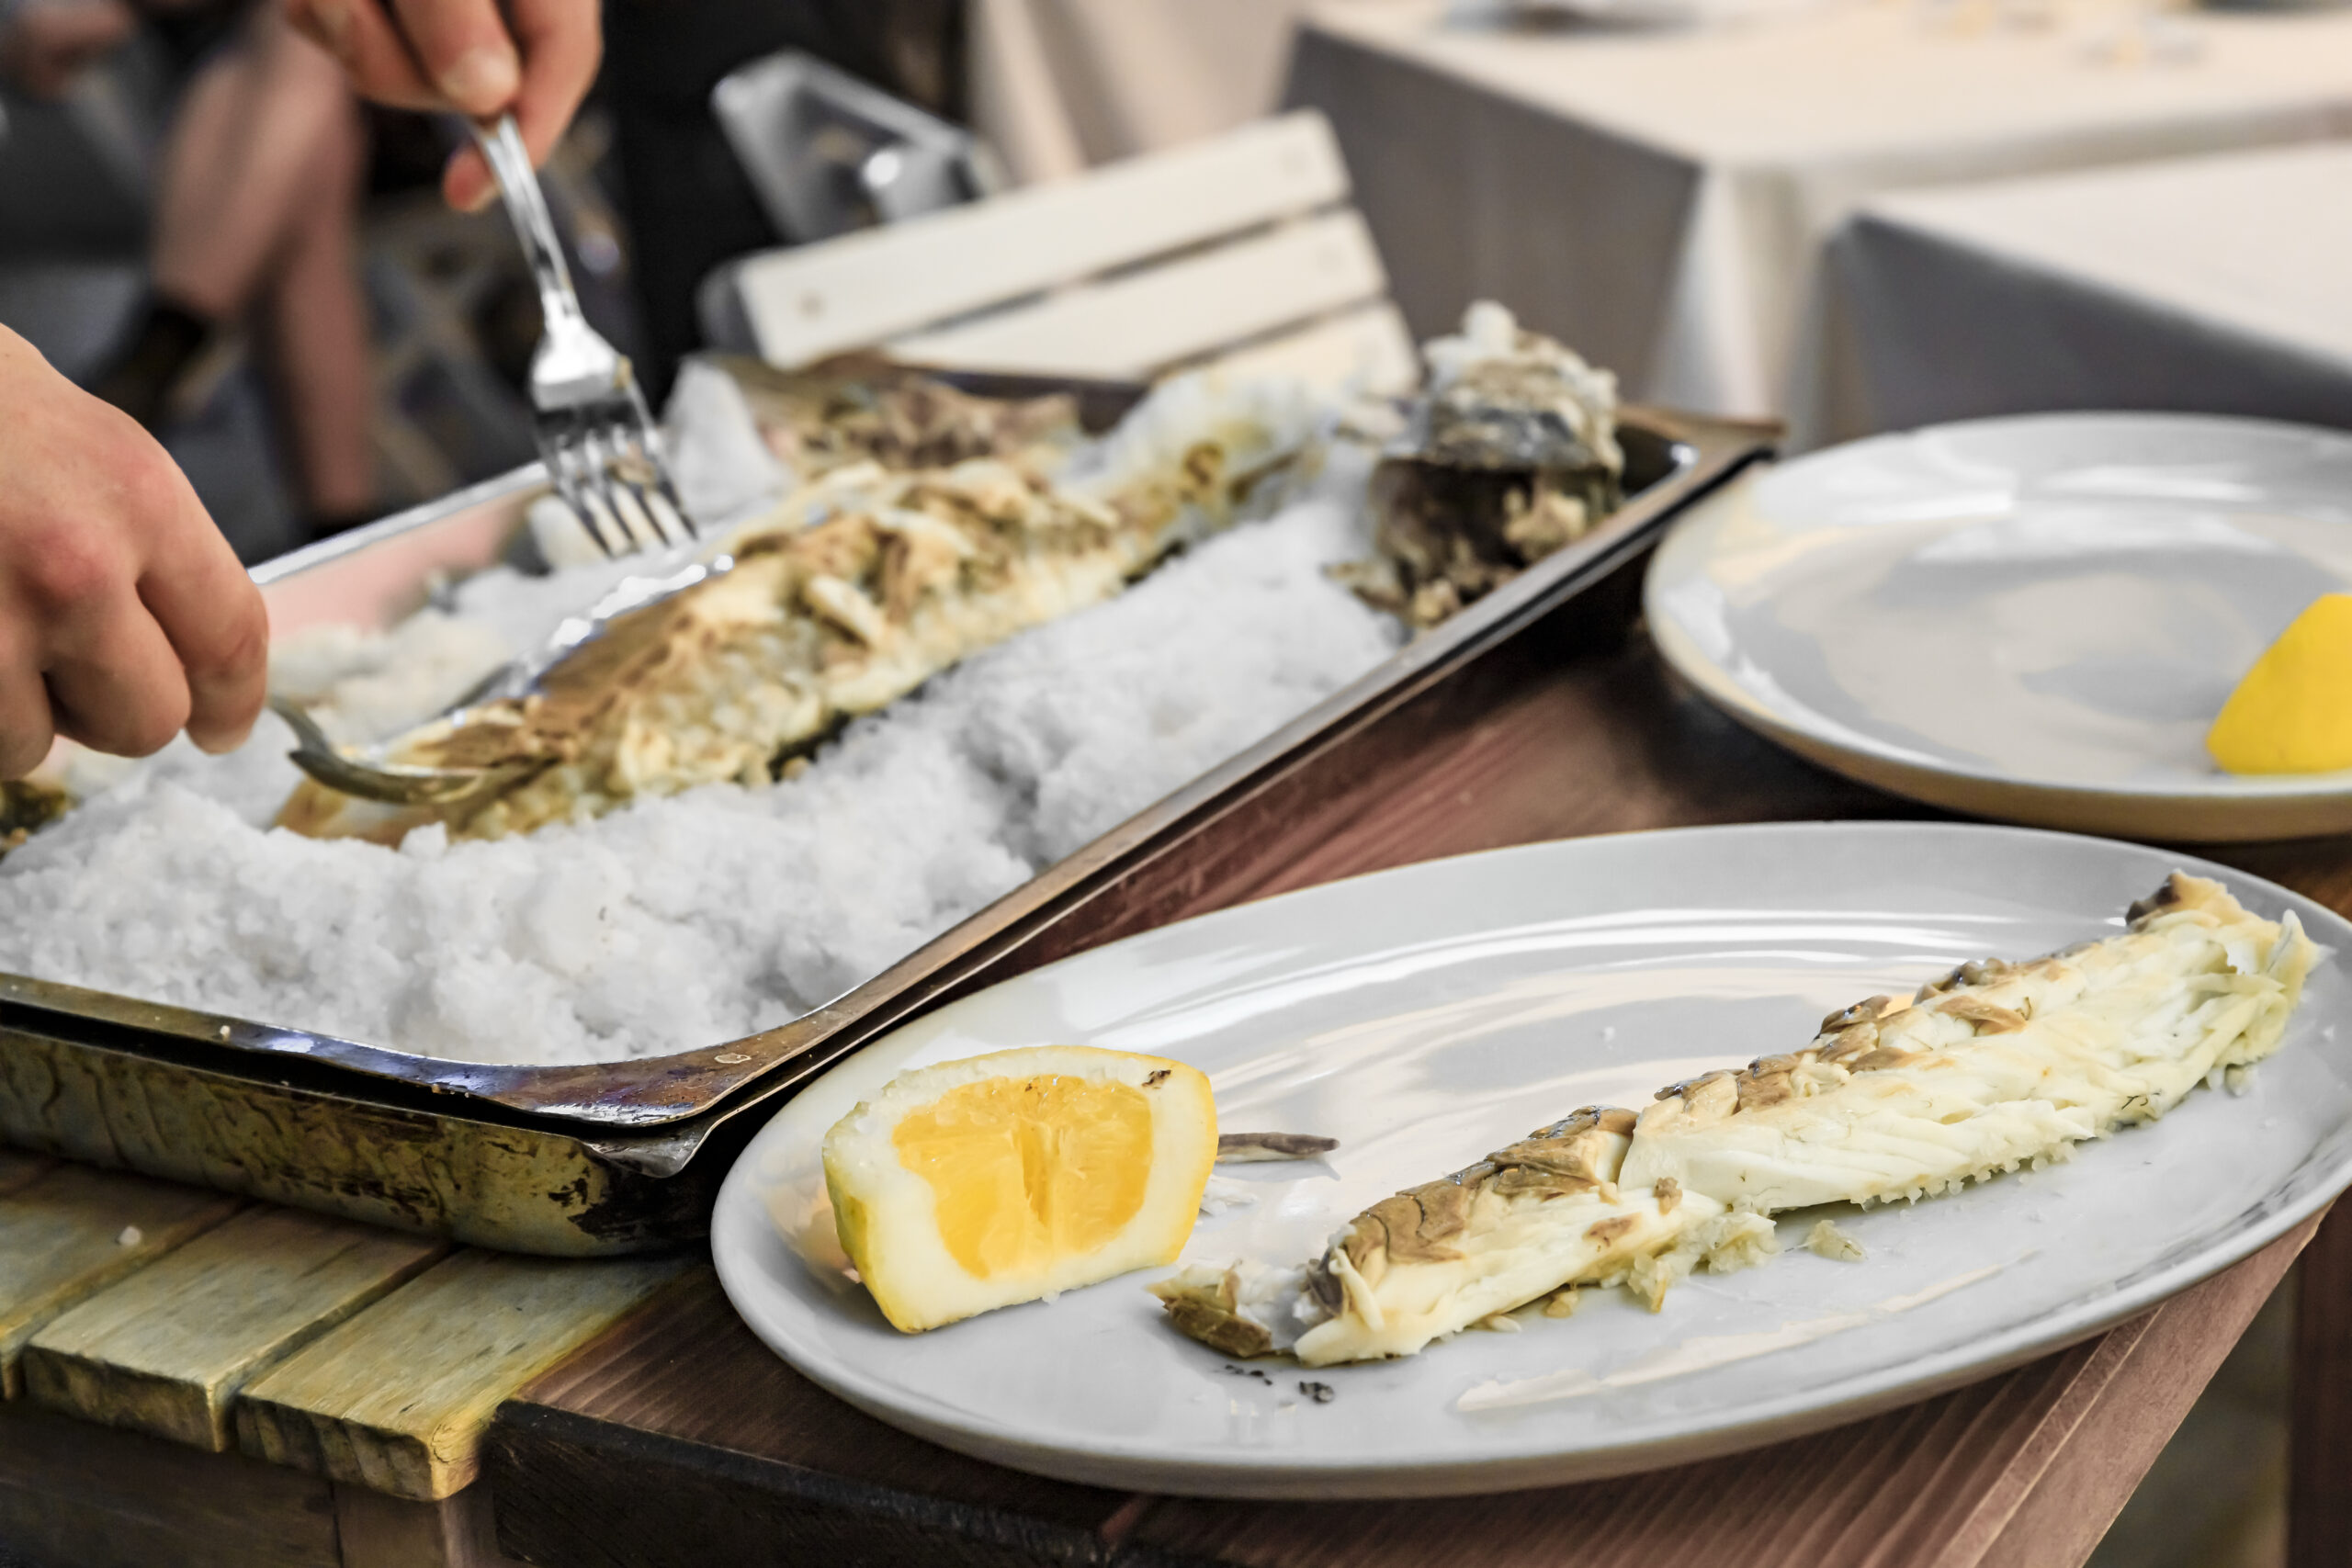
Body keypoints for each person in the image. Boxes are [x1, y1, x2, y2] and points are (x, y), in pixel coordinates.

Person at [0, 0, 600, 781]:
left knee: (296, 67)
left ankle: (161, 354)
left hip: (403, 105)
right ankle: (332, 513)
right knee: (305, 141)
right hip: (245, 81)